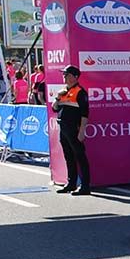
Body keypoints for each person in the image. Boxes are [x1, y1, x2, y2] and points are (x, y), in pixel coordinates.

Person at [51, 65, 92, 196]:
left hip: (74, 127)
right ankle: (71, 183)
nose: (64, 77)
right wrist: (57, 98)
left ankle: (85, 186)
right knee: (68, 156)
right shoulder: (63, 91)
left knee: (80, 156)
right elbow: (55, 108)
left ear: (75, 77)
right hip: (63, 127)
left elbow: (85, 114)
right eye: (64, 74)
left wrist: (82, 131)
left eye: (67, 75)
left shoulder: (80, 92)